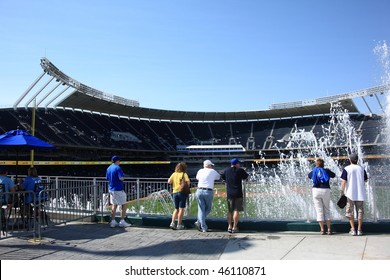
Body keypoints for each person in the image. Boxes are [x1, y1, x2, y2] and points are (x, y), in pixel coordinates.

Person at [341, 153, 368, 236]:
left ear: (350, 160)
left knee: (350, 211)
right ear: (357, 160)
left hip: (350, 193)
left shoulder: (347, 168)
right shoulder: (361, 169)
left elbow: (344, 181)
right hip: (360, 193)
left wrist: (342, 192)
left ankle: (353, 229)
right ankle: (359, 229)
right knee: (360, 211)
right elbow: (365, 180)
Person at [308, 158, 336, 235]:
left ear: (316, 164)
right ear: (323, 164)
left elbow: (309, 176)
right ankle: (329, 229)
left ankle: (322, 229)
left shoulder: (314, 171)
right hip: (325, 190)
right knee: (327, 209)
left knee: (319, 210)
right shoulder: (326, 170)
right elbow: (333, 175)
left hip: (316, 190)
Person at [221, 158, 248, 233]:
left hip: (230, 193)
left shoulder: (226, 170)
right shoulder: (240, 170)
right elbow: (246, 177)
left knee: (230, 211)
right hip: (238, 193)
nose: (239, 164)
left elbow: (223, 177)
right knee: (236, 210)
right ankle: (234, 227)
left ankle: (229, 226)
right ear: (236, 164)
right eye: (238, 163)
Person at [195, 160, 221, 232]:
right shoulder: (212, 171)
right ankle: (203, 226)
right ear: (209, 165)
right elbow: (218, 177)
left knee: (201, 209)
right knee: (208, 209)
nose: (212, 166)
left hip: (199, 190)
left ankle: (199, 222)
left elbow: (197, 178)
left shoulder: (200, 171)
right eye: (211, 165)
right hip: (208, 191)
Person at [106, 156, 130, 228]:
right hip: (118, 189)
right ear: (117, 161)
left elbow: (107, 178)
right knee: (124, 204)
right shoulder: (118, 168)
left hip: (111, 188)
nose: (119, 162)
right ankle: (122, 221)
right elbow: (121, 178)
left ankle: (113, 221)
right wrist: (124, 177)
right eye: (119, 161)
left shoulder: (108, 168)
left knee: (114, 204)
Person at [168, 162, 190, 230]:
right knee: (181, 209)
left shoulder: (174, 174)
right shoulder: (184, 174)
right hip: (182, 192)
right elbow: (188, 183)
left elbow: (169, 182)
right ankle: (179, 224)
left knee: (176, 209)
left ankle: (172, 223)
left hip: (175, 192)